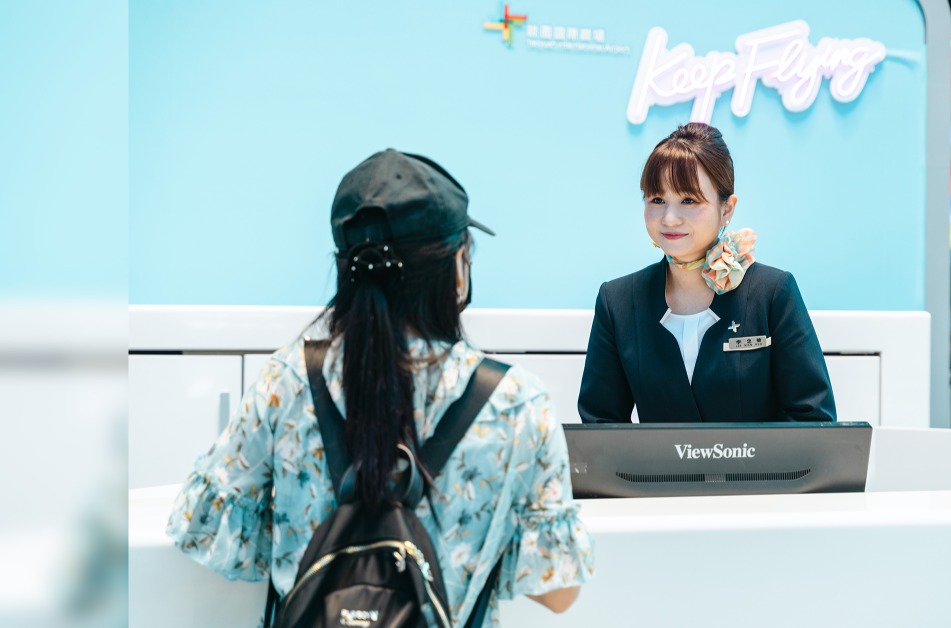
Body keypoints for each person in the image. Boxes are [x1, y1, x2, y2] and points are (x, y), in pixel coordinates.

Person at [166, 149, 593, 626]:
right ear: (457, 268)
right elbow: (558, 592)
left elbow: (203, 533)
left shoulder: (286, 380)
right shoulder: (516, 403)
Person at [579, 123, 837, 423]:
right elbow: (600, 429)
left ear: (727, 209)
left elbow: (813, 419)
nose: (669, 218)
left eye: (688, 200)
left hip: (758, 459)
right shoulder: (618, 302)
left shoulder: (773, 293)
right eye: (657, 200)